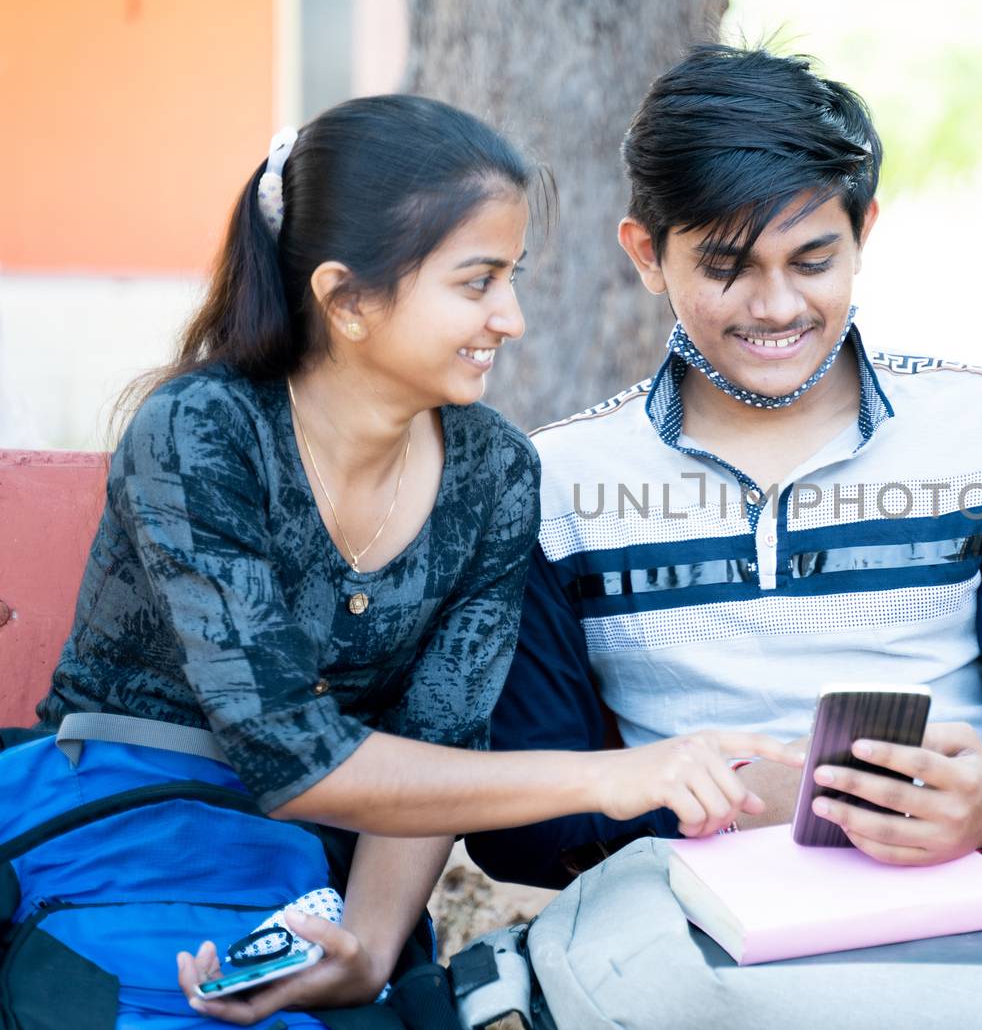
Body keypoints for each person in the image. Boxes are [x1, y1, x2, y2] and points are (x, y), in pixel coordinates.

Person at [1, 93, 793, 1029]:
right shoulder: (203, 431)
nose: (513, 317)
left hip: (316, 878)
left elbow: (443, 733)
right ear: (346, 299)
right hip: (118, 836)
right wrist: (615, 774)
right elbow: (291, 753)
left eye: (513, 276)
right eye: (477, 282)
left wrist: (367, 951)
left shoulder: (495, 471)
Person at [468, 45, 982, 888]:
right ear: (645, 253)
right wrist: (733, 800)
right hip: (689, 925)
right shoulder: (553, 480)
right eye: (726, 268)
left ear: (865, 233)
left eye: (813, 262)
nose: (776, 306)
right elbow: (523, 819)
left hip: (974, 901)